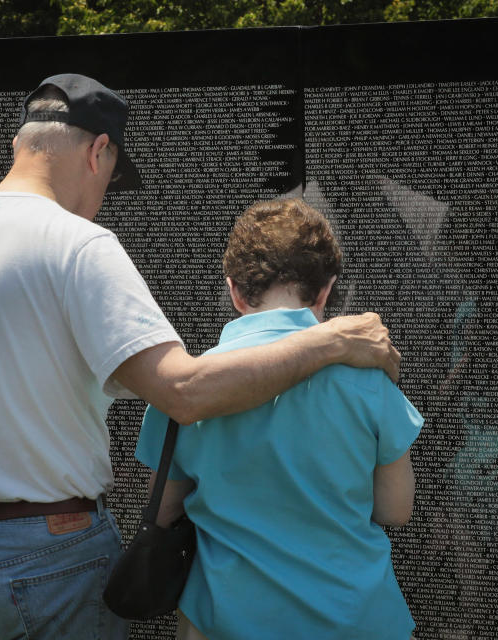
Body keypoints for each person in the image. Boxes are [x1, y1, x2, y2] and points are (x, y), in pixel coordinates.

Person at [0, 74, 402, 640]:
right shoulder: (77, 245)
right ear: (99, 152)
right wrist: (331, 340)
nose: (100, 200)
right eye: (112, 179)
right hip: (48, 560)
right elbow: (184, 391)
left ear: (20, 144)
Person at [136, 198, 424, 640]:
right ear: (326, 291)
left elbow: (164, 510)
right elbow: (395, 509)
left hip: (225, 622)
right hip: (356, 620)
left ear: (234, 290)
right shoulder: (370, 381)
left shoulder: (188, 389)